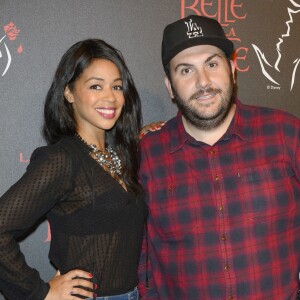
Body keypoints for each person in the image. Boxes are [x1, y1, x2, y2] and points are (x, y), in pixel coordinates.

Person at [137, 15, 300, 299]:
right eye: (186, 71)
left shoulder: (286, 133)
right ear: (169, 86)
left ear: (233, 70)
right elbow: (140, 257)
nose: (203, 82)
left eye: (212, 64)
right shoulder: (148, 155)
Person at [0, 39, 146, 300]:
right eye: (95, 86)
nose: (110, 97)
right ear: (69, 93)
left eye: (117, 86)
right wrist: (39, 293)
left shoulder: (124, 156)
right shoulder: (62, 159)